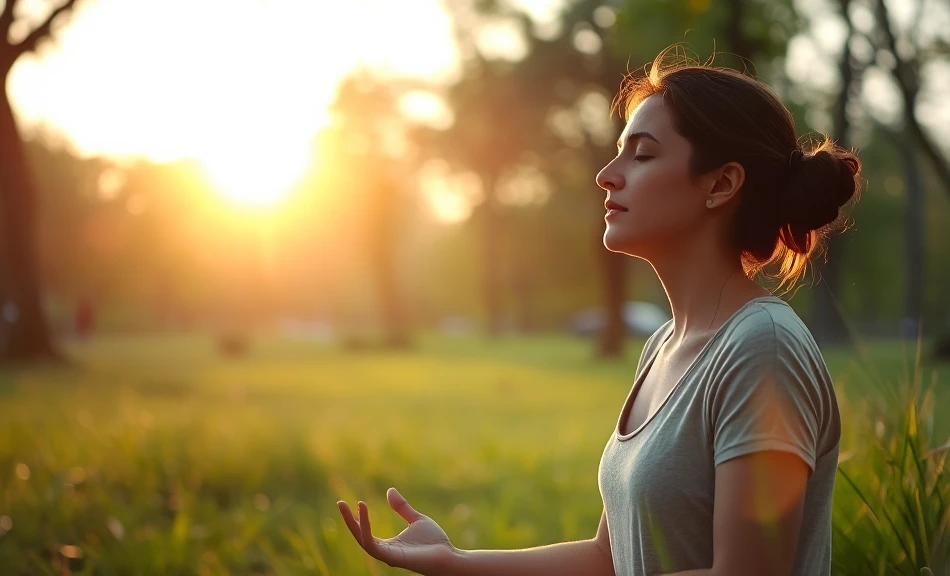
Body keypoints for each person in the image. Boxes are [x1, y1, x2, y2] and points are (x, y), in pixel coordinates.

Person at [335, 45, 861, 576]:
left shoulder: (762, 347)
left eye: (643, 154)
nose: (607, 175)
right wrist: (454, 561)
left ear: (721, 184)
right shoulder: (663, 346)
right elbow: (608, 558)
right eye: (618, 151)